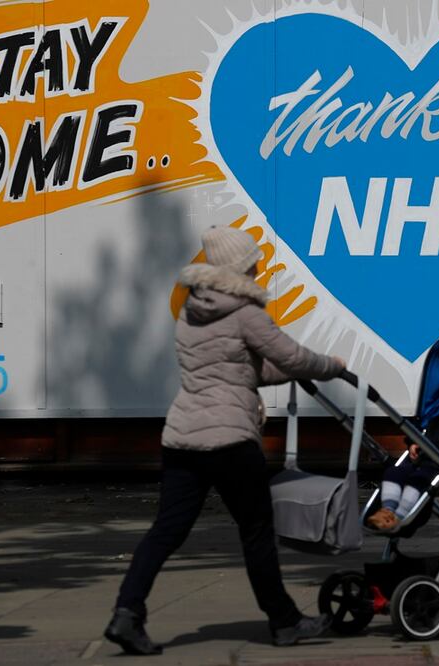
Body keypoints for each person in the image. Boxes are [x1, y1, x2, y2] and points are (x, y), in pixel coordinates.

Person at [105, 227, 346, 654]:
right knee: (255, 530)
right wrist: (331, 365)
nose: (257, 266)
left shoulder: (191, 311)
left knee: (165, 531)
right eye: (252, 260)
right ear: (238, 267)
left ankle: (127, 613)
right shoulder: (246, 312)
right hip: (230, 440)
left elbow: (243, 370)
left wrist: (286, 371)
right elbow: (289, 356)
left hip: (182, 438)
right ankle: (285, 622)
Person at [366, 380, 439, 532]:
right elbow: (426, 433)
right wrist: (414, 444)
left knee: (416, 481)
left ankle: (399, 517)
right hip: (421, 462)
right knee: (393, 472)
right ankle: (387, 510)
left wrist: (426, 448)